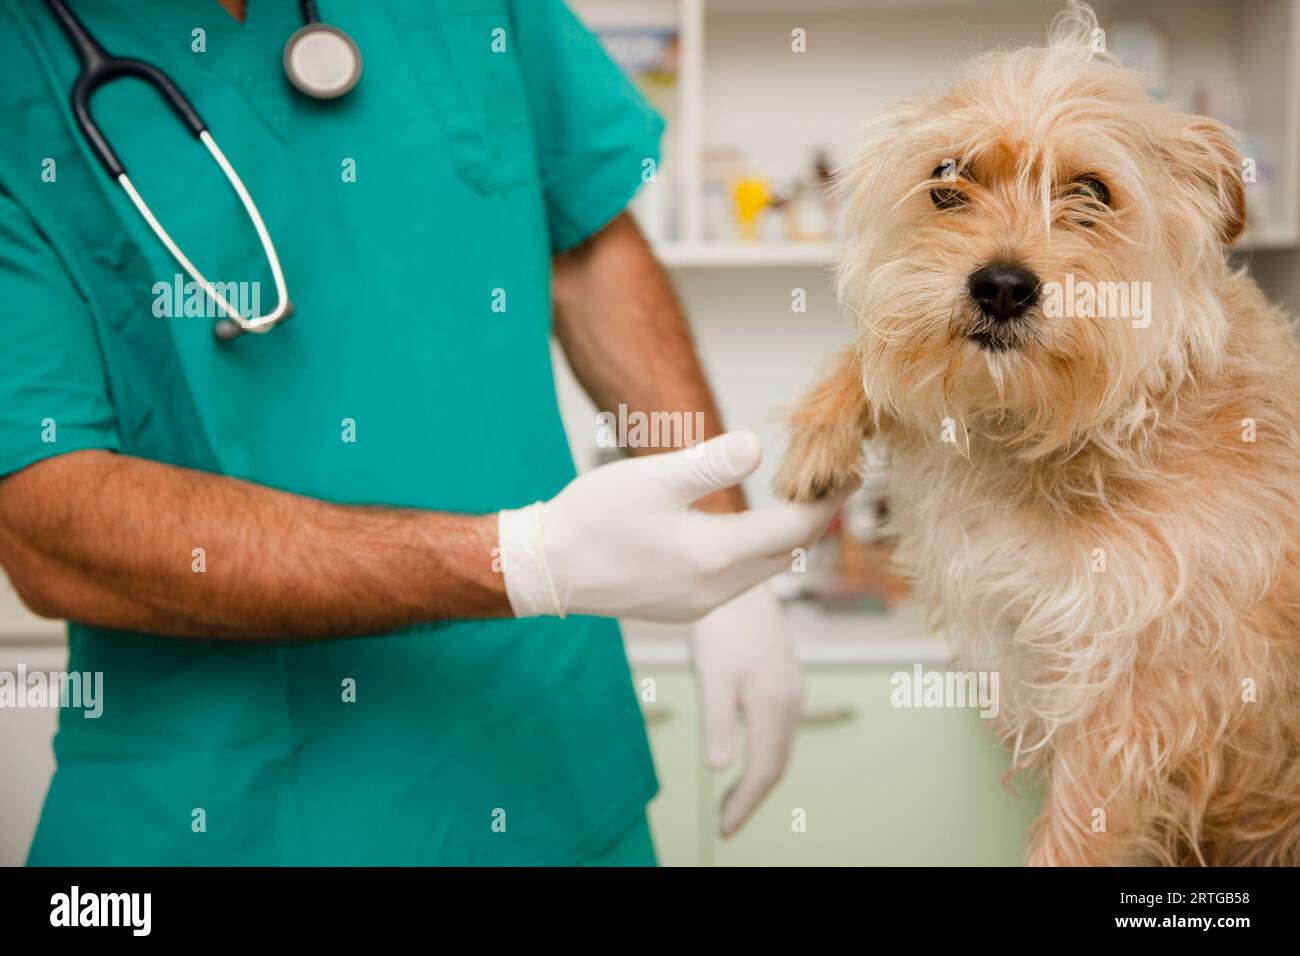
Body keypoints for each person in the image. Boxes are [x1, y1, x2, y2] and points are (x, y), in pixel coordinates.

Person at [0, 0, 841, 865]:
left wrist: (720, 535)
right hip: (228, 809)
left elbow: (585, 244)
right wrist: (518, 559)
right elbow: (47, 517)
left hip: (549, 772)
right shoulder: (16, 67)